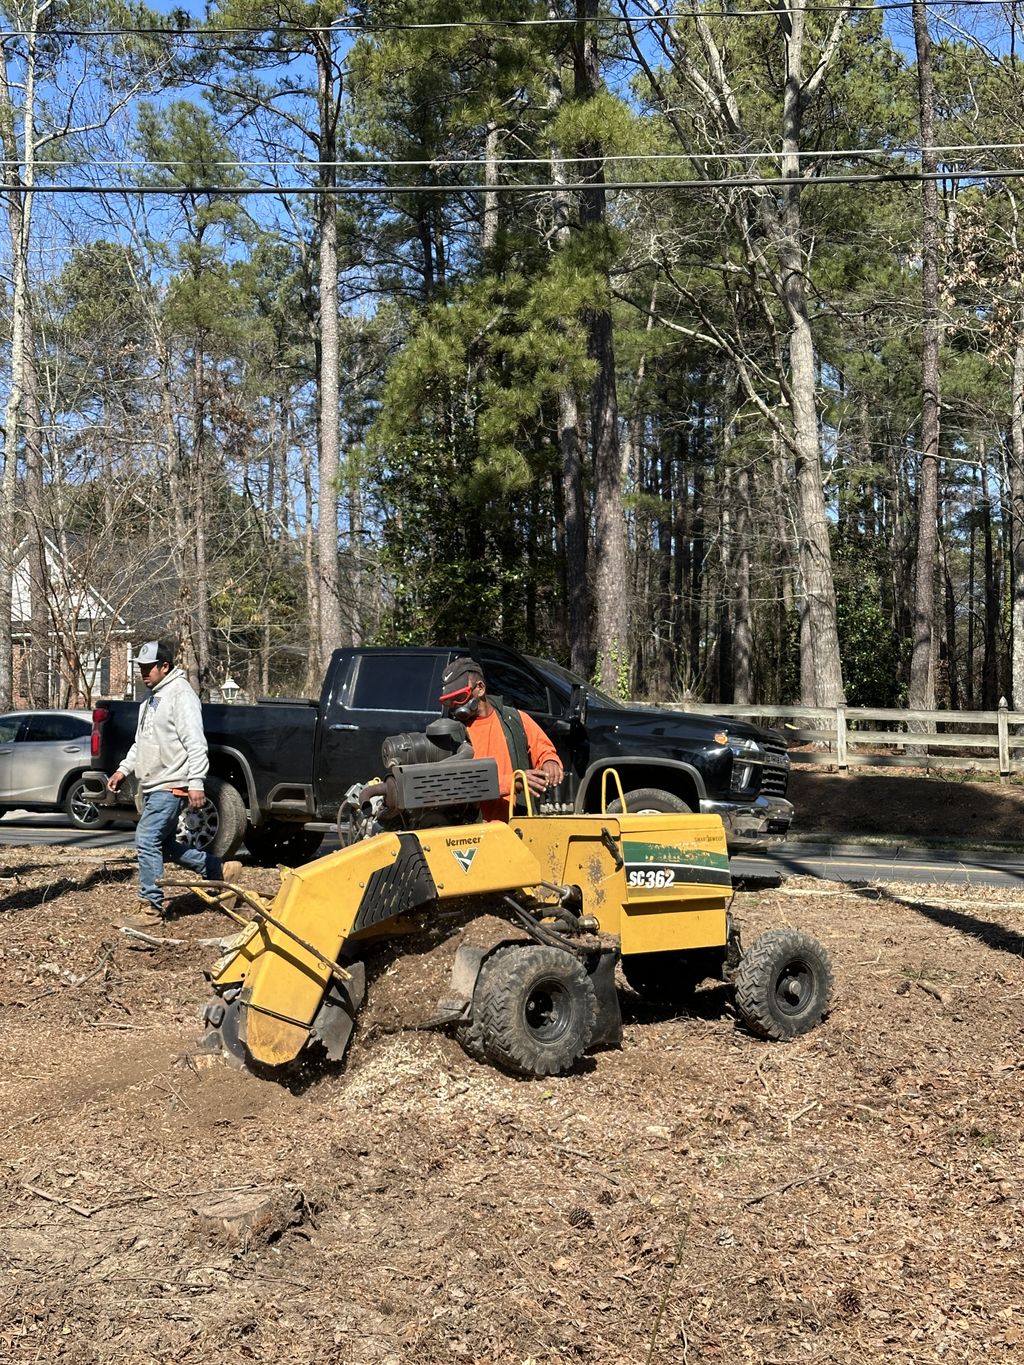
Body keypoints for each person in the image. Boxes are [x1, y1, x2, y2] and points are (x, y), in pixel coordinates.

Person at [107, 639, 241, 928]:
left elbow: (195, 742)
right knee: (164, 845)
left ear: (164, 666)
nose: (143, 672)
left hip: (172, 782)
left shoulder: (181, 694)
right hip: (153, 782)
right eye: (140, 667)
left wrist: (196, 782)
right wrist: (123, 770)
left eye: (149, 667)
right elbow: (141, 743)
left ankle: (151, 908)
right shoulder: (151, 699)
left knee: (146, 839)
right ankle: (221, 871)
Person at [438, 657, 564, 821]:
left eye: (460, 697)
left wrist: (550, 762)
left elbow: (544, 750)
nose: (455, 705)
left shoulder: (515, 719)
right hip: (475, 829)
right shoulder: (452, 734)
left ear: (480, 688)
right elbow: (457, 782)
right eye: (449, 701)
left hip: (516, 825)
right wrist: (512, 782)